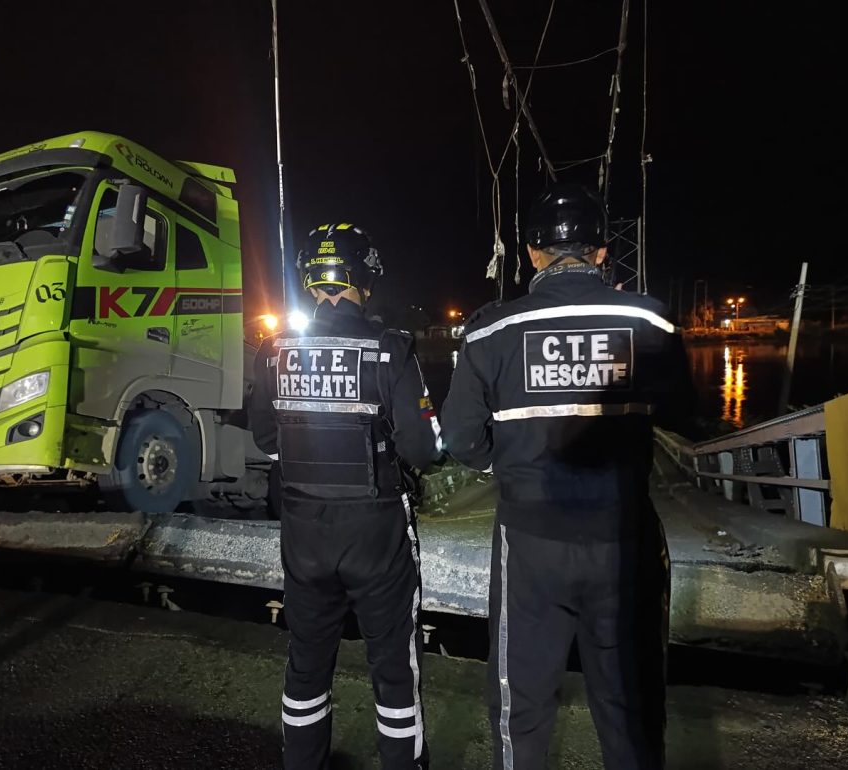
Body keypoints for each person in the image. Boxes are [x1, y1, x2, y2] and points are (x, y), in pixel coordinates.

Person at [441, 184, 694, 769]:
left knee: (521, 701)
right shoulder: (648, 320)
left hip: (529, 540)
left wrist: (504, 465)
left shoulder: (488, 332)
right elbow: (682, 415)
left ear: (532, 254)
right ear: (603, 252)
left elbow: (460, 439)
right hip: (624, 537)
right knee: (630, 703)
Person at [249, 223, 443, 769]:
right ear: (365, 278)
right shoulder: (390, 349)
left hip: (304, 535)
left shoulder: (272, 352)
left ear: (310, 281)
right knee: (394, 673)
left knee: (306, 667)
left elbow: (266, 438)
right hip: (377, 535)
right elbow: (425, 449)